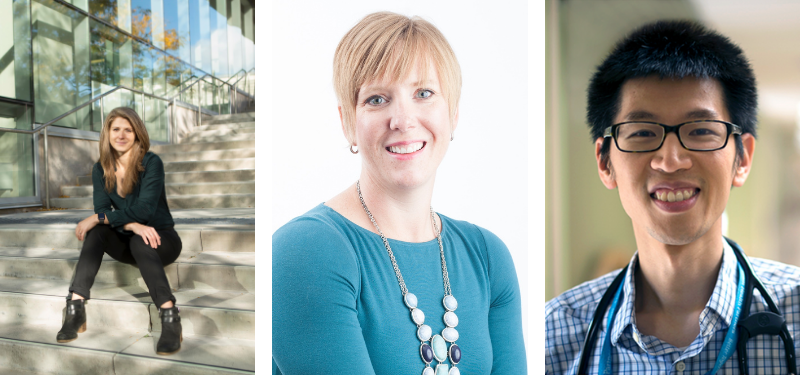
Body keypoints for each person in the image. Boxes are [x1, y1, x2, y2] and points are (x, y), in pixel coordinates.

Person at [272, 11, 526, 375]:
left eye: (424, 93)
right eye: (377, 99)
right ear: (348, 123)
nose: (403, 120)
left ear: (452, 114)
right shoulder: (304, 251)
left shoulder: (487, 257)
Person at [545, 20, 800, 374]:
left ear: (742, 159)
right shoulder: (552, 336)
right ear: (605, 162)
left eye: (700, 131)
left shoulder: (796, 312)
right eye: (643, 133)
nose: (670, 160)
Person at [57, 107, 184, 356]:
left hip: (161, 240)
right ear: (108, 133)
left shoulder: (151, 162)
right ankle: (76, 307)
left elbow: (145, 210)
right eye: (116, 129)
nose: (122, 135)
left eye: (129, 129)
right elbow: (105, 212)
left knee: (137, 240)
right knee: (97, 232)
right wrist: (130, 224)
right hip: (131, 236)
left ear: (137, 134)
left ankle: (170, 315)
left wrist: (100, 217)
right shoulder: (100, 169)